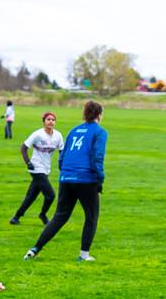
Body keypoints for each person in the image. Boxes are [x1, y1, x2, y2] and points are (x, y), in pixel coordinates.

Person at [23, 101, 107, 262]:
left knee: (59, 216)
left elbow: (62, 156)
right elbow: (97, 157)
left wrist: (66, 173)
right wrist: (100, 178)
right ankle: (84, 255)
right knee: (91, 216)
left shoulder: (74, 130)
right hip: (86, 179)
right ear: (99, 115)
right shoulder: (100, 132)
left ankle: (34, 249)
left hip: (66, 177)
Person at [9, 112, 65, 225]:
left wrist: (62, 164)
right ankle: (43, 214)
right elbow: (23, 148)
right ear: (44, 121)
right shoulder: (37, 134)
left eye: (53, 120)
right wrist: (28, 162)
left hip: (46, 168)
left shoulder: (58, 136)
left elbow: (62, 151)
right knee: (50, 195)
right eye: (48, 119)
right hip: (36, 168)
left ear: (55, 122)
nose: (51, 121)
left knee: (31, 196)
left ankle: (16, 217)